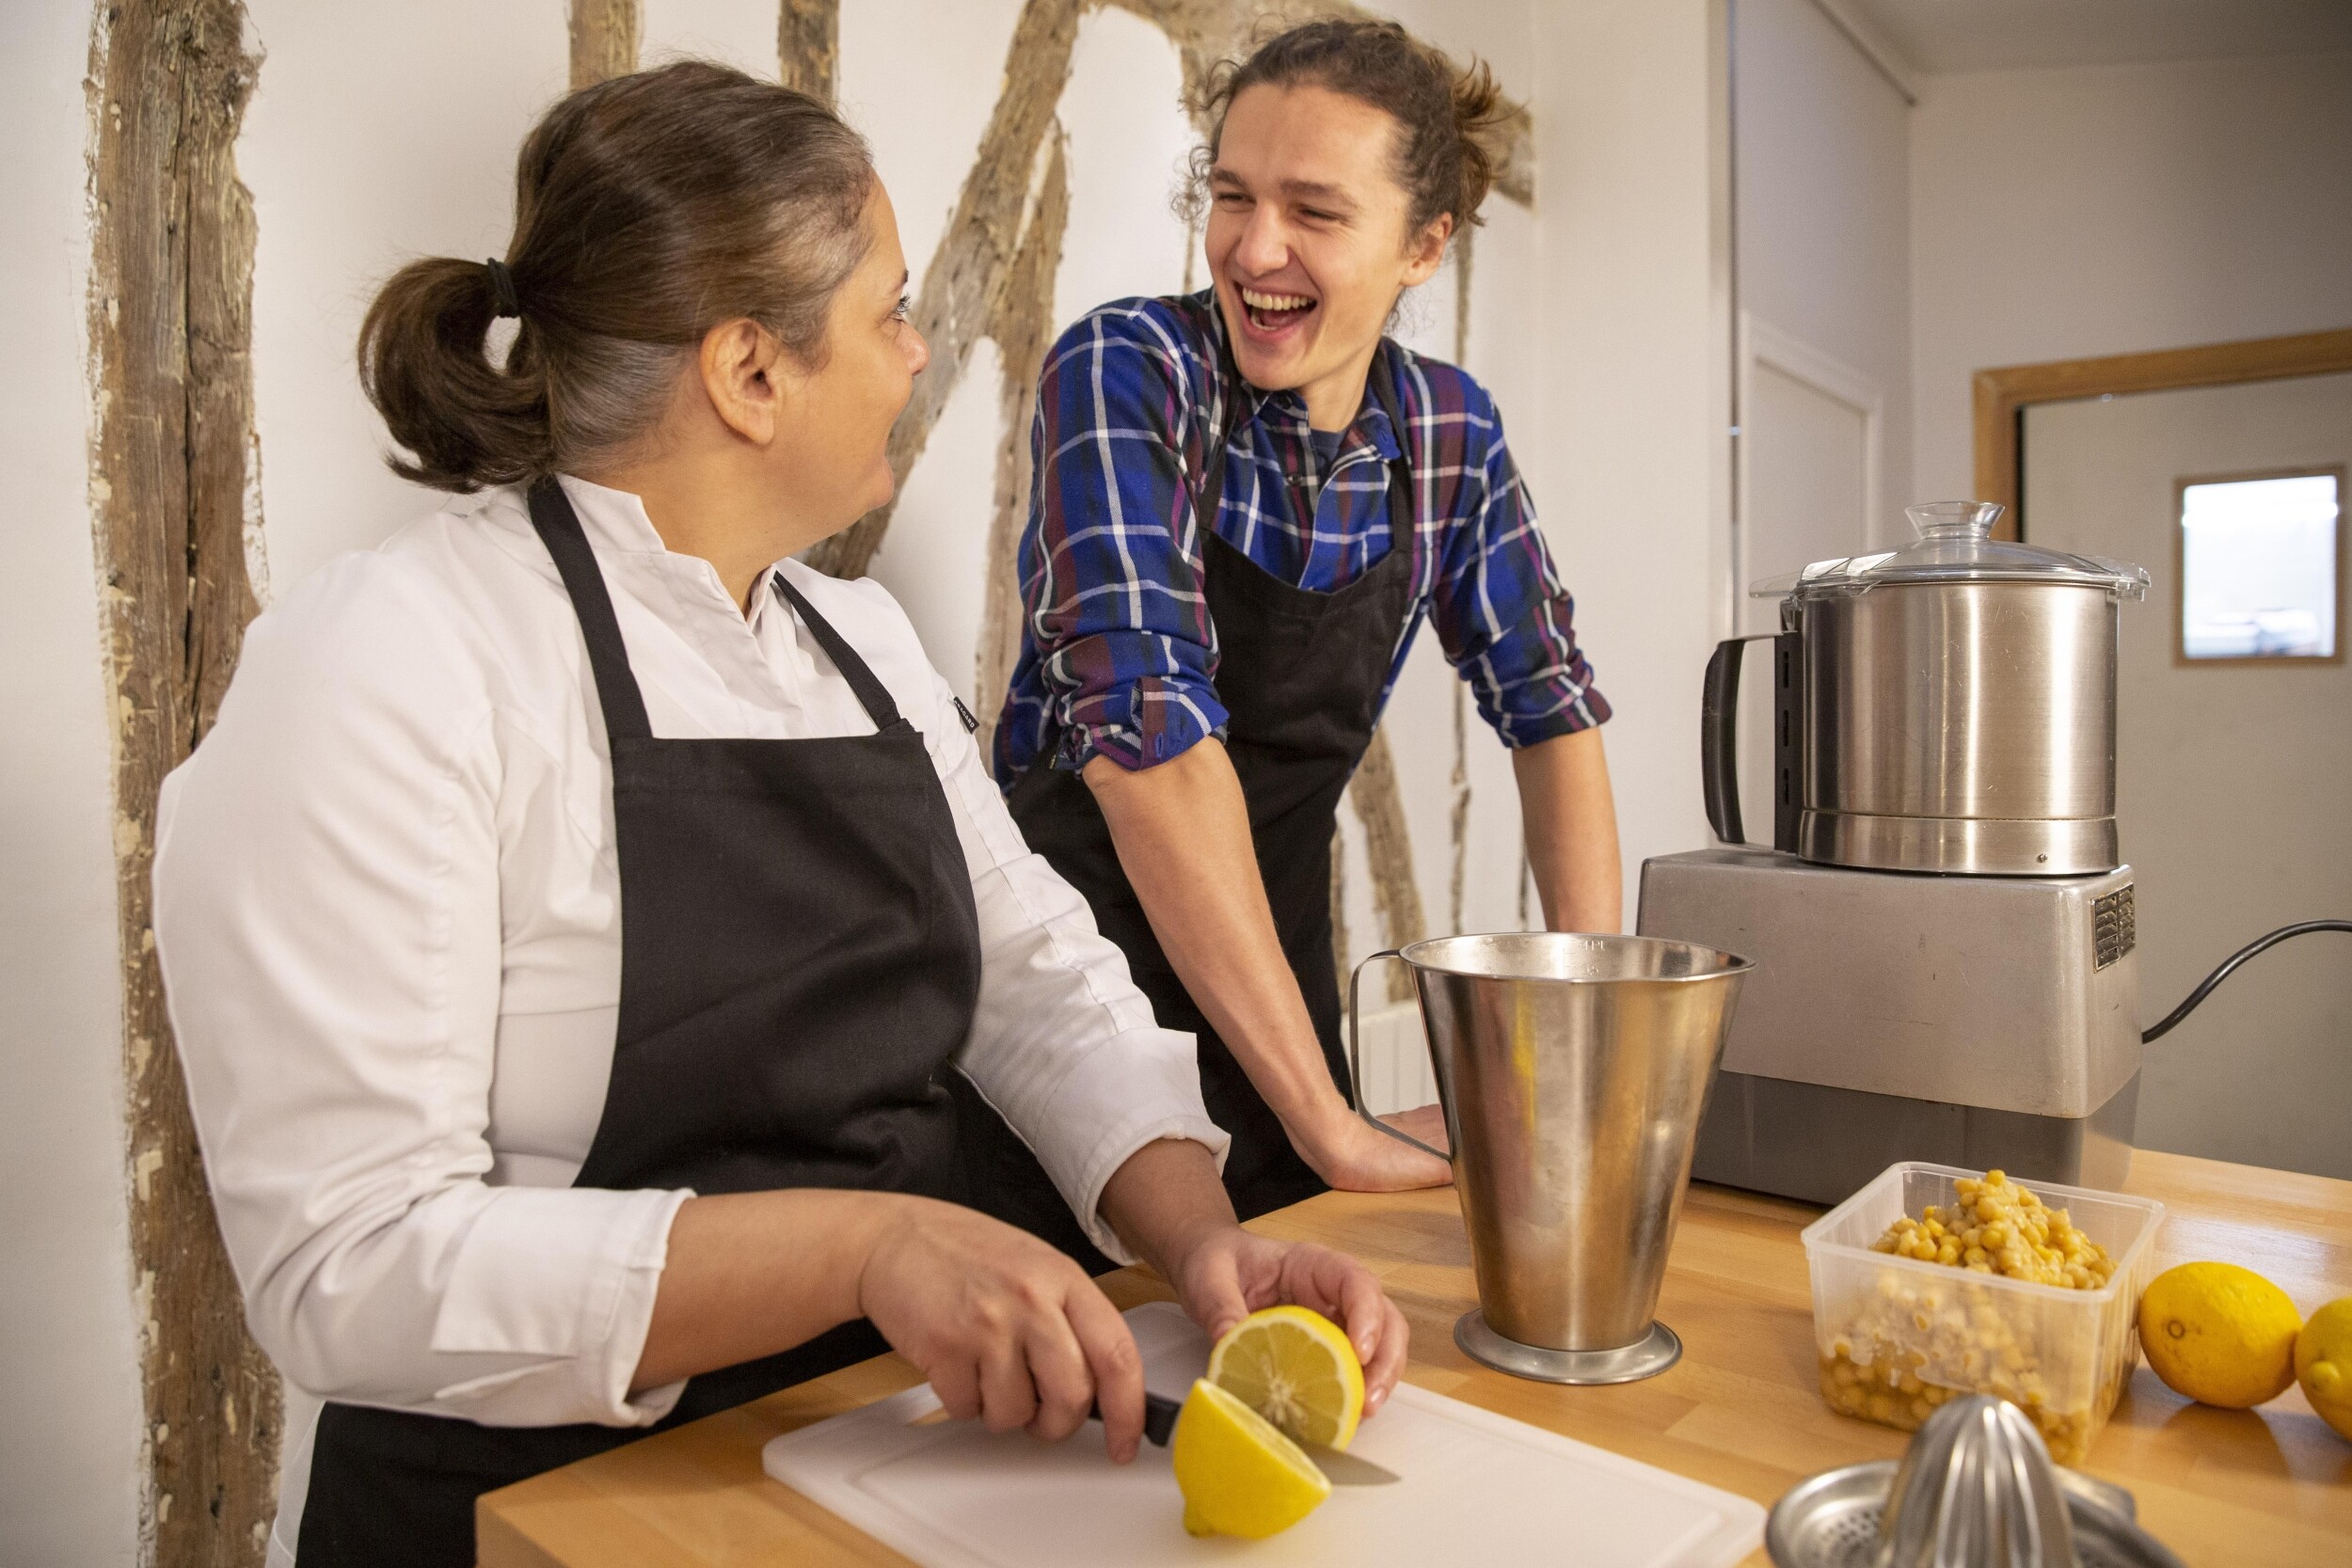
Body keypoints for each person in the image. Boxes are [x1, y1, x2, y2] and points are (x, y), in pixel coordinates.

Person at [151, 62, 1406, 1568]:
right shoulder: (395, 660)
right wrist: (871, 1246)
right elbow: (346, 1267)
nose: (917, 353)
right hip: (531, 1518)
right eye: (886, 312)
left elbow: (1042, 990)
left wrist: (1204, 1241)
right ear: (751, 373)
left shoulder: (857, 645)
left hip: (861, 1463)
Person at [993, 20, 1620, 1227]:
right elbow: (1149, 747)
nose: (1253, 247)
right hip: (1065, 989)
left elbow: (1551, 709)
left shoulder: (1448, 433)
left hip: (1273, 966)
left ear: (1422, 246)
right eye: (1233, 195)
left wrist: (1586, 1051)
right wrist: (1327, 1120)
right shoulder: (1132, 370)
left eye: (1314, 212)